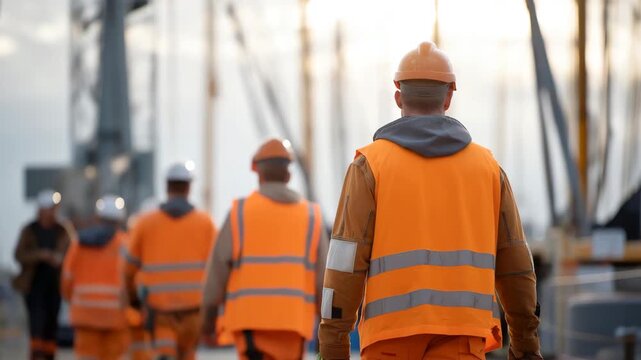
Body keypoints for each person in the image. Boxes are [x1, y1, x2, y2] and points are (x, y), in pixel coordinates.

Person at [318, 41, 542, 360]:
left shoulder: (370, 166)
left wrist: (333, 347)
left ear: (398, 97)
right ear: (448, 98)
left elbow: (344, 263)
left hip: (389, 340)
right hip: (463, 338)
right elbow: (516, 267)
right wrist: (526, 346)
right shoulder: (488, 169)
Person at [201, 138, 328, 359]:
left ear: (257, 172)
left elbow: (216, 274)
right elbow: (323, 281)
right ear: (288, 175)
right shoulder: (311, 217)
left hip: (250, 327)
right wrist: (327, 329)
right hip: (294, 325)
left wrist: (207, 322)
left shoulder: (239, 213)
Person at [124, 162, 217, 360]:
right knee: (188, 355)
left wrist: (133, 300)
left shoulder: (146, 223)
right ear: (189, 187)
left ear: (167, 186)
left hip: (160, 314)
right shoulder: (205, 223)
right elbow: (216, 270)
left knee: (164, 356)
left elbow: (128, 269)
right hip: (193, 313)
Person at [61, 195, 130, 360]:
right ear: (120, 220)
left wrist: (75, 301)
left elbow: (66, 279)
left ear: (97, 217)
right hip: (115, 317)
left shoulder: (79, 243)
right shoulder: (126, 244)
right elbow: (133, 279)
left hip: (85, 316)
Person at [13, 189, 72, 360]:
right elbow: (19, 255)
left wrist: (60, 259)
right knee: (37, 327)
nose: (53, 212)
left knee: (50, 328)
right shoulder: (29, 231)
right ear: (41, 210)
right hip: (34, 288)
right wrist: (40, 255)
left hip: (55, 287)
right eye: (50, 208)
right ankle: (36, 356)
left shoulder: (63, 230)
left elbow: (73, 254)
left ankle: (49, 356)